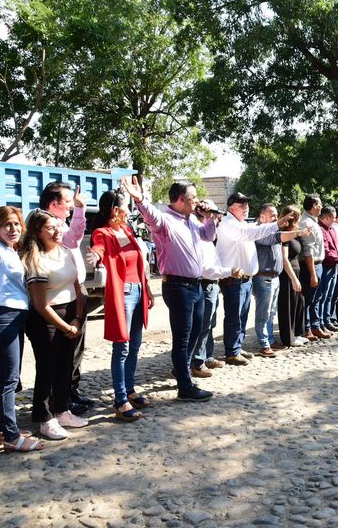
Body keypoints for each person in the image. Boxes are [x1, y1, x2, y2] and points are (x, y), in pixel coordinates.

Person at [121, 175, 216, 402]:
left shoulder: (192, 219)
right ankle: (185, 387)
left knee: (196, 331)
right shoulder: (165, 220)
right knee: (182, 338)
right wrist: (140, 199)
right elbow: (150, 215)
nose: (196, 202)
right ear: (181, 199)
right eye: (193, 198)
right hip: (178, 286)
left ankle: (181, 368)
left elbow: (208, 236)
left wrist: (209, 218)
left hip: (196, 285)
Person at [86, 188, 155, 422]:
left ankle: (130, 389)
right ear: (116, 210)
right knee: (122, 347)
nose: (129, 210)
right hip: (123, 292)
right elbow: (99, 247)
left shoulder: (127, 229)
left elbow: (140, 263)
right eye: (126, 206)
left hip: (138, 290)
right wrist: (96, 256)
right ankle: (120, 398)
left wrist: (148, 290)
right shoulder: (102, 232)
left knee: (135, 345)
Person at [0, 206, 43, 452]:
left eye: (17, 224)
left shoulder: (10, 251)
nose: (14, 229)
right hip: (2, 317)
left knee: (10, 378)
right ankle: (11, 438)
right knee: (8, 380)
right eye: (8, 224)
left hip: (14, 316)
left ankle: (6, 429)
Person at [22, 210, 88, 440]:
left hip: (71, 315)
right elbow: (40, 304)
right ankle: (44, 417)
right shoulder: (35, 259)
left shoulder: (66, 252)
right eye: (50, 227)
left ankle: (62, 410)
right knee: (47, 369)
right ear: (37, 232)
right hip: (48, 321)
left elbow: (78, 288)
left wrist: (78, 318)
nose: (57, 230)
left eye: (58, 225)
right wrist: (65, 326)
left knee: (66, 366)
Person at [39, 182, 94, 415]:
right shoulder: (45, 226)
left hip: (75, 289)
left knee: (76, 348)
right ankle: (60, 400)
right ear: (54, 204)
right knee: (62, 352)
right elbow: (73, 239)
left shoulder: (60, 224)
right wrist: (80, 211)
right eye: (69, 201)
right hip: (59, 296)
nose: (71, 205)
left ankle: (70, 392)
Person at [216, 193, 290, 365]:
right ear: (231, 207)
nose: (246, 208)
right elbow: (252, 234)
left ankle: (237, 347)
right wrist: (275, 225)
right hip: (233, 278)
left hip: (246, 278)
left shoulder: (241, 223)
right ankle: (232, 352)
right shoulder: (229, 224)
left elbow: (252, 233)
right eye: (241, 205)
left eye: (247, 205)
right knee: (234, 316)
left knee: (241, 316)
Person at [191, 200, 243, 377]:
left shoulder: (208, 234)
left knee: (210, 323)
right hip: (206, 283)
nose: (216, 218)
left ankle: (206, 356)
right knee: (203, 325)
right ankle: (197, 362)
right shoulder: (198, 234)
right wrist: (229, 271)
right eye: (212, 214)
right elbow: (206, 267)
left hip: (212, 283)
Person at [252, 204, 309, 356]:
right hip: (264, 276)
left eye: (276, 215)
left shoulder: (272, 229)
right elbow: (279, 238)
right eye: (272, 215)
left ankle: (269, 340)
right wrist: (299, 232)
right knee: (263, 313)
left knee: (271, 312)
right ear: (262, 216)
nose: (276, 218)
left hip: (274, 277)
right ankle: (264, 344)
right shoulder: (259, 231)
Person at [277, 205, 309, 348]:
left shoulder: (294, 233)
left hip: (296, 271)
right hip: (288, 275)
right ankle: (288, 338)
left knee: (298, 303)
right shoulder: (284, 235)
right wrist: (293, 278)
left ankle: (296, 334)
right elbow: (285, 259)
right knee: (287, 306)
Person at [298, 194, 329, 339]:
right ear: (313, 205)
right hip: (311, 266)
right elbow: (308, 251)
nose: (321, 207)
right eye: (319, 204)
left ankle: (315, 326)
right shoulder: (306, 223)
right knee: (308, 299)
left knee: (317, 297)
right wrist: (312, 273)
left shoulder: (313, 221)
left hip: (318, 264)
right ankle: (306, 328)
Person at [317, 206, 338, 331]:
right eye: (333, 218)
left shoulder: (331, 229)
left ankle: (327, 319)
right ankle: (321, 321)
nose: (335, 220)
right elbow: (327, 251)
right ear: (327, 217)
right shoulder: (321, 230)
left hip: (333, 266)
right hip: (326, 266)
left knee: (330, 295)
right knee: (323, 296)